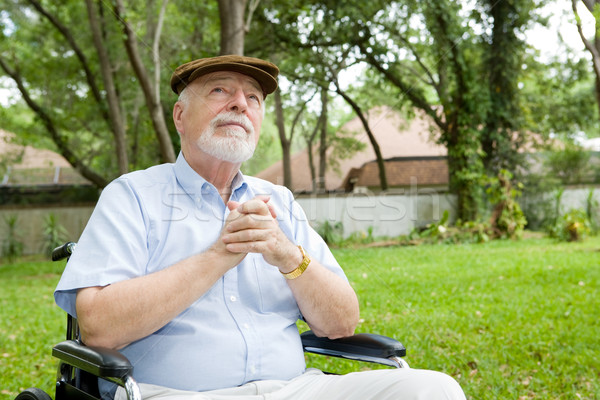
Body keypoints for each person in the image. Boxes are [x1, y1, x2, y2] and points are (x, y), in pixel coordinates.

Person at [54, 55, 466, 400]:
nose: (240, 104)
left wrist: (289, 256)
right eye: (220, 91)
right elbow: (100, 329)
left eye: (253, 98)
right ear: (180, 115)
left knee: (433, 389)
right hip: (178, 393)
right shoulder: (133, 195)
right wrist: (219, 255)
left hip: (296, 389)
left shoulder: (280, 201)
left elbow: (342, 323)